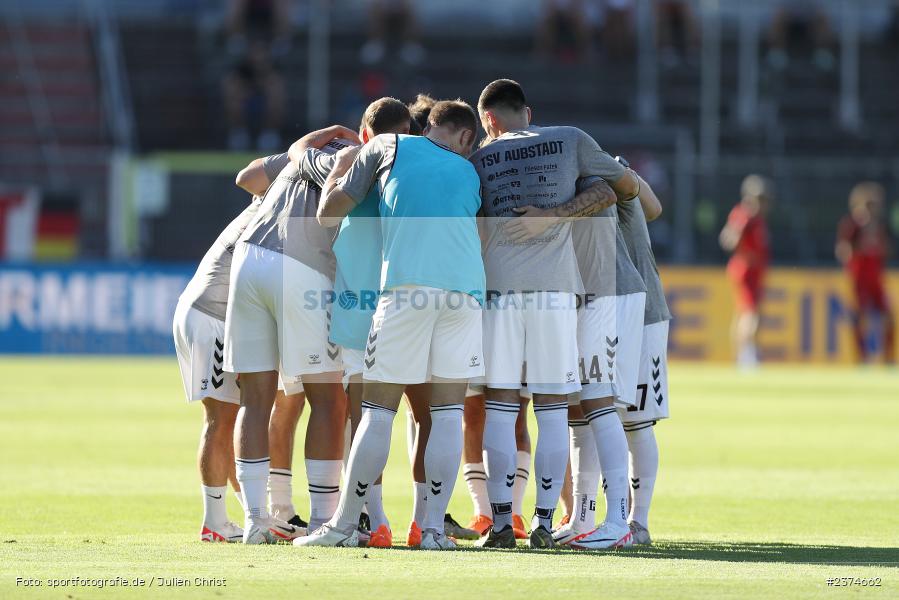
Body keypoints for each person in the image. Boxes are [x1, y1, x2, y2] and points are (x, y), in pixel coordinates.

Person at [294, 100, 485, 550]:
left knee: (378, 411)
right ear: (462, 137)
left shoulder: (387, 145)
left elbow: (330, 211)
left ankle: (343, 526)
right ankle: (433, 531)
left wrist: (341, 178)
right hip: (466, 295)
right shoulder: (467, 172)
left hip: (405, 290)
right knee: (447, 414)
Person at [470, 78, 640, 549]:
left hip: (499, 289)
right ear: (528, 111)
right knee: (552, 409)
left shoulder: (478, 159)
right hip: (557, 293)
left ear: (488, 120)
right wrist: (557, 213)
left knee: (501, 409)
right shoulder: (570, 139)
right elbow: (622, 188)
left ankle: (501, 524)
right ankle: (546, 524)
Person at [224, 124, 361, 544]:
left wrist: (326, 134)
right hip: (302, 265)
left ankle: (254, 520)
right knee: (327, 398)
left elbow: (245, 178)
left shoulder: (302, 152)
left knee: (256, 398)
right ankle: (323, 521)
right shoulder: (368, 159)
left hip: (248, 259)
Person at [173, 189, 307, 542]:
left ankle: (246, 514)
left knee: (231, 417)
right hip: (212, 315)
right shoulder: (278, 217)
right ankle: (214, 523)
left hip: (208, 312)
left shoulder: (266, 205)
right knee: (221, 419)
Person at [551, 171, 647, 551]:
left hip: (607, 297)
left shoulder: (592, 181)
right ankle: (583, 517)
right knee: (580, 408)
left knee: (599, 401)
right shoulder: (578, 179)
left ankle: (617, 520)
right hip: (587, 297)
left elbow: (643, 204)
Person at [836, 182, 895, 364]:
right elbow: (842, 250)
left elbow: (887, 250)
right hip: (859, 278)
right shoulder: (853, 225)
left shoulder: (880, 226)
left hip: (876, 280)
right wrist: (858, 251)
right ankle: (862, 358)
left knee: (889, 317)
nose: (873, 209)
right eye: (869, 204)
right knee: (861, 317)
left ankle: (888, 358)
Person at [719, 175, 773, 369]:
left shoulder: (754, 218)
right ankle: (747, 356)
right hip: (746, 269)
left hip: (752, 270)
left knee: (744, 313)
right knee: (751, 313)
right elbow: (728, 239)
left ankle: (743, 355)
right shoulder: (745, 215)